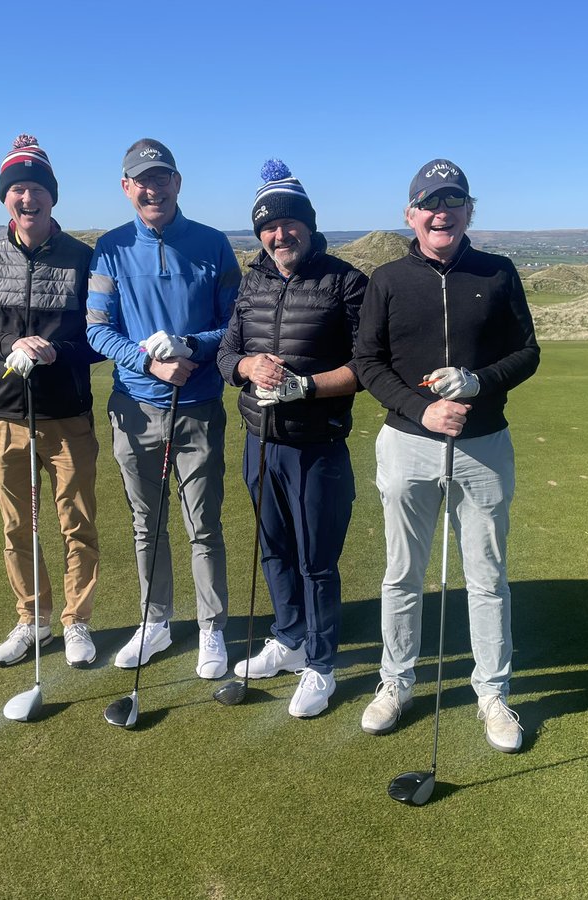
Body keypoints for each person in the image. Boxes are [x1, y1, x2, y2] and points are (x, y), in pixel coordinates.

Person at [353, 158, 540, 752]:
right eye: (431, 203)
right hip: (407, 445)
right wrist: (421, 409)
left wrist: (478, 382)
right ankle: (396, 682)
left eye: (454, 202)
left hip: (484, 447)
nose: (443, 212)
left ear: (468, 212)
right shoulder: (386, 279)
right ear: (411, 214)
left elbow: (528, 353)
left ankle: (491, 693)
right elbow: (367, 362)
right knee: (402, 574)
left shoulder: (499, 272)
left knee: (486, 579)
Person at [217, 160, 367, 718]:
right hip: (260, 441)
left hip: (317, 445)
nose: (281, 235)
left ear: (308, 223)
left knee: (316, 561)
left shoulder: (345, 281)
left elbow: (367, 366)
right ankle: (287, 637)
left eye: (290, 223)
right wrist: (247, 367)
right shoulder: (252, 281)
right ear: (260, 233)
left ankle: (321, 664)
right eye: (269, 226)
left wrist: (304, 387)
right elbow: (225, 354)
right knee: (274, 549)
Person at [86, 138, 239, 680]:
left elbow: (232, 326)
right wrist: (146, 362)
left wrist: (191, 346)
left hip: (198, 406)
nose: (152, 188)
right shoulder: (108, 248)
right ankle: (156, 622)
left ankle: (211, 628)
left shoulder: (214, 245)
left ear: (178, 182)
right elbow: (97, 328)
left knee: (204, 523)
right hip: (135, 405)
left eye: (161, 178)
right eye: (140, 181)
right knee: (146, 523)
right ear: (127, 188)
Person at [0, 134, 102, 669]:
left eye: (36, 188)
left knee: (75, 523)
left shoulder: (84, 257)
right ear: (5, 198)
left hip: (68, 416)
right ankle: (31, 618)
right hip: (4, 414)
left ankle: (77, 622)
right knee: (18, 527)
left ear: (52, 196)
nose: (27, 198)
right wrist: (8, 344)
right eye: (17, 189)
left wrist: (56, 352)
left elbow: (101, 338)